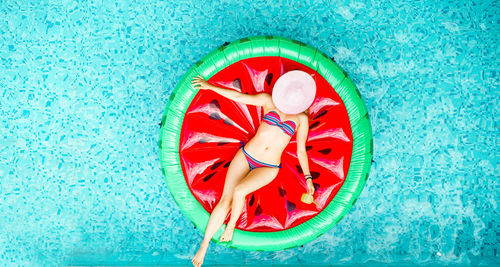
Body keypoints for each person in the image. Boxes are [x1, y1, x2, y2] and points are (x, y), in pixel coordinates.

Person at [190, 71, 316, 267]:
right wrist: (209, 86)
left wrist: (308, 178)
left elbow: (301, 151)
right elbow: (239, 97)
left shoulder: (301, 119)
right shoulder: (268, 101)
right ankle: (204, 245)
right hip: (247, 156)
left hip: (269, 166)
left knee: (239, 191)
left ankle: (230, 227)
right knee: (225, 201)